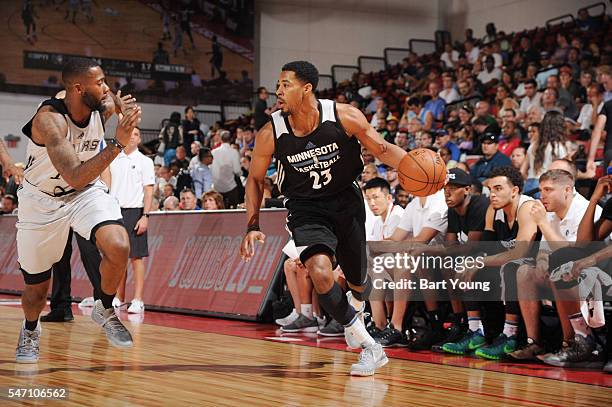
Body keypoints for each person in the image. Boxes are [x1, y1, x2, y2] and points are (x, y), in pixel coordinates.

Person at [240, 61, 408, 376]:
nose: (278, 91)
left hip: (347, 202)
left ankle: (356, 304)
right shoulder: (270, 132)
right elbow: (254, 179)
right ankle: (369, 345)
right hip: (306, 208)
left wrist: (416, 166)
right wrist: (252, 224)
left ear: (307, 88)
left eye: (285, 84)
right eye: (278, 84)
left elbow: (383, 149)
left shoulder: (344, 116)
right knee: (319, 272)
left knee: (358, 282)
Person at [15, 58, 141, 363]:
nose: (106, 88)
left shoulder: (103, 105)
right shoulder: (49, 121)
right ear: (77, 88)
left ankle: (104, 307)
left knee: (119, 244)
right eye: (99, 83)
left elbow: (112, 102)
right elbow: (74, 173)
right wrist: (116, 145)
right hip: (42, 200)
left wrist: (123, 108)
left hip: (84, 193)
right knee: (36, 291)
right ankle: (30, 328)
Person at [108, 127, 155, 313]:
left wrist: (145, 215)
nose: (132, 137)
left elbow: (149, 190)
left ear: (140, 138)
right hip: (114, 211)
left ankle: (138, 299)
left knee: (136, 257)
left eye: (136, 134)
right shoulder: (113, 159)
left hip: (135, 211)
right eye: (130, 133)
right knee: (117, 258)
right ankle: (119, 297)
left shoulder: (145, 161)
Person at [363, 178, 404, 338]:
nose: (372, 203)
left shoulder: (398, 216)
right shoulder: (378, 222)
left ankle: (382, 324)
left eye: (375, 197)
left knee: (373, 267)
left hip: (411, 267)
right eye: (368, 199)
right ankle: (378, 324)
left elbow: (395, 247)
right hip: (389, 268)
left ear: (388, 198)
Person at [211, 131, 242, 208]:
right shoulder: (234, 152)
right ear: (231, 139)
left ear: (221, 139)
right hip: (231, 187)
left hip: (217, 187)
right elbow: (237, 171)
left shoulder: (213, 152)